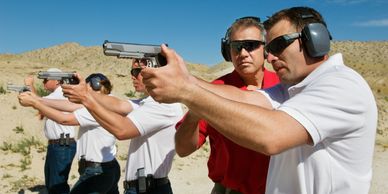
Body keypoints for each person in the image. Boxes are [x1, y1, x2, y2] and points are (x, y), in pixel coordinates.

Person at [140, 6, 378, 194]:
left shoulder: (340, 85)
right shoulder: (294, 89)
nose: (271, 56)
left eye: (278, 45)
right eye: (270, 47)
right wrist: (184, 81)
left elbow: (270, 136)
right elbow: (246, 98)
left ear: (314, 39)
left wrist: (188, 92)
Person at [175, 17, 279, 194]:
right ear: (227, 52)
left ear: (266, 49)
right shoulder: (213, 90)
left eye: (251, 45)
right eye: (236, 47)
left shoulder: (285, 87)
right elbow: (183, 149)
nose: (243, 53)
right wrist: (195, 113)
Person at [61, 59, 183, 194]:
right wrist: (87, 93)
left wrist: (86, 97)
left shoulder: (163, 104)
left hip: (148, 188)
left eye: (137, 71)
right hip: (144, 187)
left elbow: (122, 130)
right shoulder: (148, 102)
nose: (132, 76)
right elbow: (118, 105)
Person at [19, 73, 121, 194]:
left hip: (96, 170)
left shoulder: (98, 108)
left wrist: (35, 103)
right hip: (107, 168)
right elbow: (69, 106)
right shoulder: (107, 103)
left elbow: (64, 119)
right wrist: (38, 100)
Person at [23, 68, 76, 194]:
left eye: (46, 79)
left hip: (62, 145)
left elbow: (36, 101)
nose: (43, 83)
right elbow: (39, 105)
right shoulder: (55, 95)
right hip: (58, 145)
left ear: (57, 81)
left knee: (57, 186)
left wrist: (29, 85)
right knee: (53, 184)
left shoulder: (61, 93)